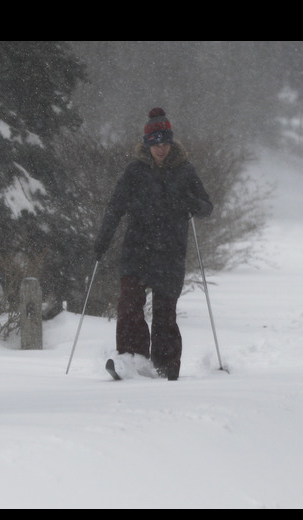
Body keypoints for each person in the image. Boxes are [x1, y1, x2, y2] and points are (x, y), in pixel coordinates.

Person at [93, 108, 213, 381]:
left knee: (164, 314)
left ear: (171, 142)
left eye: (166, 143)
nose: (162, 149)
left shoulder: (185, 170)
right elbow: (115, 207)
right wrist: (103, 240)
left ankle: (165, 367)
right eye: (157, 144)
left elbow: (207, 206)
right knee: (129, 305)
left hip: (171, 252)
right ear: (148, 144)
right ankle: (132, 361)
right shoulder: (135, 171)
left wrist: (190, 203)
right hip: (137, 248)